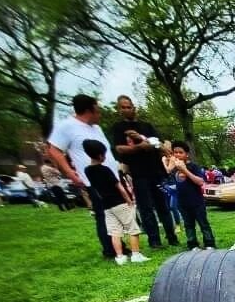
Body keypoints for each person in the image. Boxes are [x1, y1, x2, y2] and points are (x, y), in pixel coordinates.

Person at [47, 94, 119, 259]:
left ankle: (118, 246)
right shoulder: (66, 126)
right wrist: (70, 173)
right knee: (104, 214)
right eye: (97, 111)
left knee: (115, 213)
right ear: (89, 110)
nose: (99, 114)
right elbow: (53, 150)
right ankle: (110, 250)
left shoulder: (96, 128)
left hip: (111, 178)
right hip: (94, 180)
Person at [111, 95, 179, 249]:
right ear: (119, 109)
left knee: (163, 206)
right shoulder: (118, 128)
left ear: (133, 107)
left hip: (156, 171)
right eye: (123, 107)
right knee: (146, 208)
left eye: (129, 106)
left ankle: (172, 237)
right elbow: (119, 148)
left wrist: (152, 144)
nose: (126, 109)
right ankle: (154, 240)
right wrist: (138, 147)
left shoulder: (146, 126)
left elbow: (161, 144)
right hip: (138, 173)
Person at [81, 139, 150, 266]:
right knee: (133, 228)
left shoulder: (87, 170)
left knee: (115, 232)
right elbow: (119, 187)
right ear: (101, 155)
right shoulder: (105, 169)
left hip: (106, 205)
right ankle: (136, 254)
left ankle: (120, 257)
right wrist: (129, 201)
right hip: (119, 202)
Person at [168, 141, 215, 250]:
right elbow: (166, 173)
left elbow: (200, 181)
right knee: (188, 225)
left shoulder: (193, 166)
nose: (178, 155)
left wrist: (185, 170)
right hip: (182, 203)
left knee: (203, 224)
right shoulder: (174, 168)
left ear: (186, 154)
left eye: (181, 152)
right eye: (175, 152)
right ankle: (192, 244)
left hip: (197, 202)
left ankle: (209, 243)